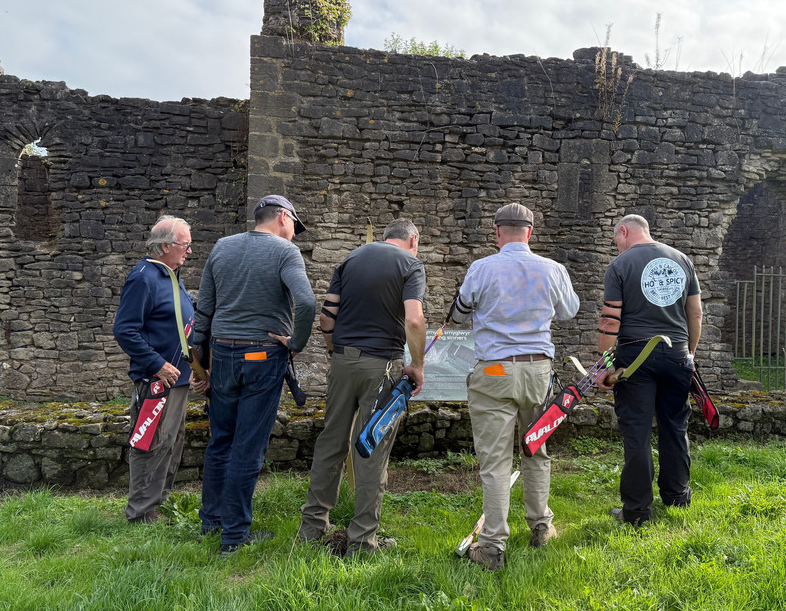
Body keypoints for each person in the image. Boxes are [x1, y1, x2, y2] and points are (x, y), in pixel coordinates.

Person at [451, 203, 579, 571]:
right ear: (530, 232)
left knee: (495, 462)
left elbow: (459, 315)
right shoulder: (553, 269)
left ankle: (492, 545)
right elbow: (569, 310)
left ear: (496, 232)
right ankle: (541, 526)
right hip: (538, 370)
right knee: (535, 447)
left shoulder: (482, 268)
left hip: (493, 371)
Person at [192, 194, 316, 556]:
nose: (294, 233)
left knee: (221, 442)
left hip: (223, 354)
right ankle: (234, 536)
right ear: (281, 217)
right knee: (247, 447)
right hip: (263, 356)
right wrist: (297, 343)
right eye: (294, 225)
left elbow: (205, 309)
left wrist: (199, 360)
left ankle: (210, 524)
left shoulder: (222, 247)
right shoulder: (284, 252)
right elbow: (307, 303)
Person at [297, 218, 427, 557]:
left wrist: (333, 353)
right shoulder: (411, 265)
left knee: (331, 442)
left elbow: (327, 317)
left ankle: (311, 530)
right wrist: (417, 364)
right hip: (381, 366)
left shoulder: (350, 259)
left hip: (342, 362)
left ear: (385, 238)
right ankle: (362, 542)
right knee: (371, 448)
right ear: (412, 240)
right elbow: (414, 319)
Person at [597, 214, 702, 525]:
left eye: (616, 239)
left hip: (634, 358)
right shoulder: (682, 259)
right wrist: (690, 353)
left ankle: (638, 512)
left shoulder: (620, 265)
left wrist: (604, 364)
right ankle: (677, 497)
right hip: (677, 354)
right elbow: (694, 313)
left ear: (625, 231)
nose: (616, 246)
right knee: (675, 427)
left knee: (637, 434)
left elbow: (609, 321)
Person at [113, 215, 208, 523]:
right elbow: (125, 330)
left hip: (177, 379)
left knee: (171, 442)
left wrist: (196, 367)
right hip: (156, 380)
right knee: (150, 442)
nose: (189, 251)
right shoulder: (143, 278)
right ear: (166, 245)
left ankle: (157, 504)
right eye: (185, 244)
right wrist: (157, 364)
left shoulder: (170, 275)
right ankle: (141, 512)